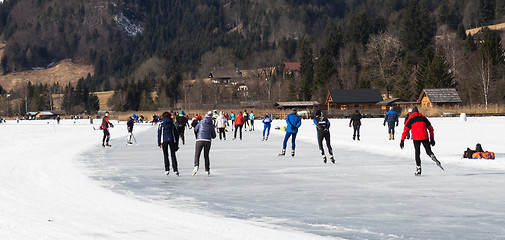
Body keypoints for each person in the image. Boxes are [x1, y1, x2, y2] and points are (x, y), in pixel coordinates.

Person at [400, 107, 444, 176]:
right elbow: (431, 128)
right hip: (425, 137)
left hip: (416, 138)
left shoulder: (410, 119)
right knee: (428, 151)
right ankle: (432, 155)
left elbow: (406, 130)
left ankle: (418, 169)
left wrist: (402, 140)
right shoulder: (424, 118)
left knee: (417, 153)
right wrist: (432, 138)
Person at [193, 111, 217, 176]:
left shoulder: (201, 122)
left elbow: (195, 129)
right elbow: (214, 136)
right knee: (206, 155)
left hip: (199, 140)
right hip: (208, 141)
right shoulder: (211, 124)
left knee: (197, 154)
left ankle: (196, 165)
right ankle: (207, 170)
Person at [158, 112, 180, 176]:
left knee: (165, 155)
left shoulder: (161, 124)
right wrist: (177, 144)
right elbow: (176, 134)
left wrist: (159, 143)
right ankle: (175, 169)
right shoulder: (172, 124)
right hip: (172, 140)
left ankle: (167, 169)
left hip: (164, 141)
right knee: (173, 155)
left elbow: (159, 134)